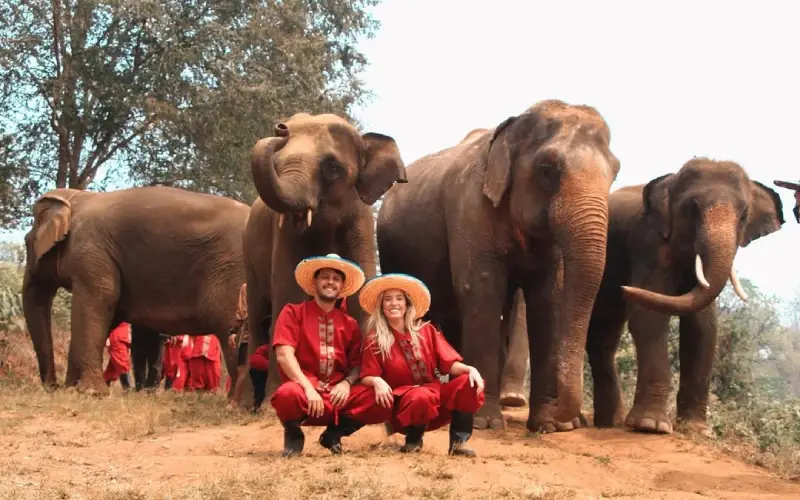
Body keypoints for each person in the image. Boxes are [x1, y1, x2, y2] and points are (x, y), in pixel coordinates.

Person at [270, 253, 392, 457]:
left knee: (381, 400)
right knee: (286, 394)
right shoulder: (293, 312)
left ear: (342, 286)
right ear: (315, 282)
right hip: (304, 392)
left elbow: (357, 364)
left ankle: (334, 434)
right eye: (325, 277)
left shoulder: (350, 324)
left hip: (338, 395)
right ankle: (293, 436)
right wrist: (308, 388)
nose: (330, 282)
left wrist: (346, 383)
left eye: (336, 279)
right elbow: (283, 354)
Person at [358, 273, 485, 457]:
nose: (394, 303)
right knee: (420, 395)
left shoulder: (427, 330)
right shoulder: (374, 340)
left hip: (434, 398)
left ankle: (459, 443)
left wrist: (470, 369)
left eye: (399, 299)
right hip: (402, 407)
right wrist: (377, 381)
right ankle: (413, 441)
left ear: (407, 304)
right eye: (388, 299)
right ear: (381, 306)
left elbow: (448, 364)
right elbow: (367, 374)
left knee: (467, 382)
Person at [227, 282, 251, 407]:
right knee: (243, 369)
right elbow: (241, 313)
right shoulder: (246, 287)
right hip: (248, 336)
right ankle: (235, 401)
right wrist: (233, 331)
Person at [104, 321, 132, 389]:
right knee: (122, 364)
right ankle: (127, 390)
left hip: (123, 335)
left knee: (113, 367)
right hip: (119, 336)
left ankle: (103, 385)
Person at [248, 343, 270, 412]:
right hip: (262, 364)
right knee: (261, 386)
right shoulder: (270, 346)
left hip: (252, 364)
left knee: (256, 386)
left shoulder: (261, 347)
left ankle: (255, 405)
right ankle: (258, 405)